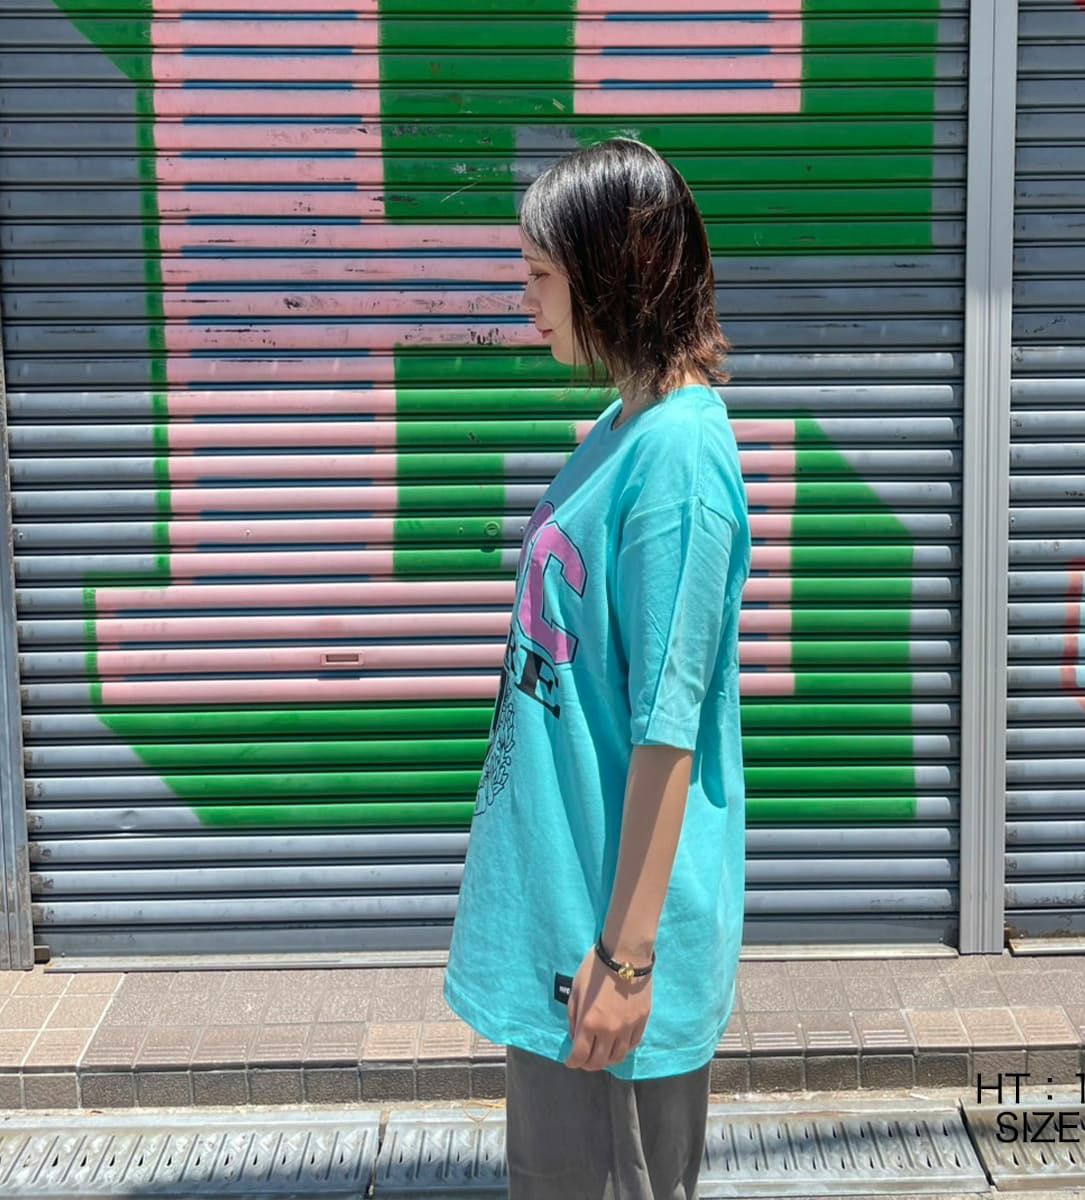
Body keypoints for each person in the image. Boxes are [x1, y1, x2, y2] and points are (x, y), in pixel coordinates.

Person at [442, 136, 752, 1200]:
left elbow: (670, 728)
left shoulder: (679, 457)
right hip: (565, 931)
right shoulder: (626, 427)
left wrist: (625, 964)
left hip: (606, 959)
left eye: (541, 274)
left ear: (611, 272)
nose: (525, 298)